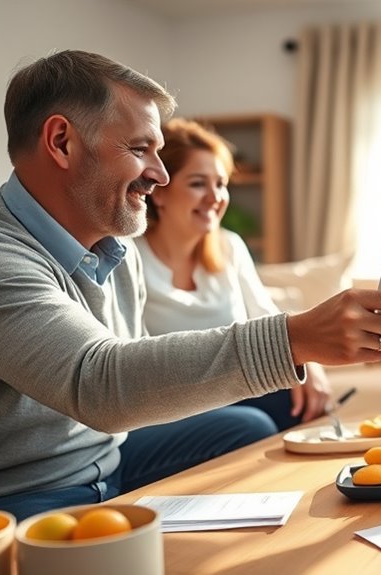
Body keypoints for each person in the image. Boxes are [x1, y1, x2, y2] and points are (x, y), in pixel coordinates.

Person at [0, 50, 381, 520]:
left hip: (109, 460)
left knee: (249, 432)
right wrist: (294, 338)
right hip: (19, 492)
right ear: (62, 142)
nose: (160, 174)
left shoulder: (117, 250)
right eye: (139, 149)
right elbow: (99, 384)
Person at [136, 117, 330, 430]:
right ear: (159, 192)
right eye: (198, 183)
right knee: (253, 425)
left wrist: (307, 364)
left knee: (304, 401)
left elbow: (266, 318)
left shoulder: (230, 246)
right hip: (166, 410)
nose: (215, 197)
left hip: (230, 395)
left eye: (221, 184)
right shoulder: (129, 255)